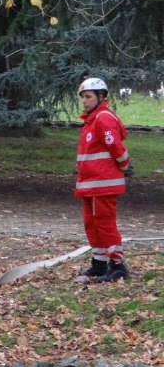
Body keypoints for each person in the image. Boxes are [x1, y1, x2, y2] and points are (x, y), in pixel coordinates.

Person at [74, 77, 133, 283]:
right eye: (83, 97)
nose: (85, 101)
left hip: (103, 184)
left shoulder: (103, 118)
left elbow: (116, 147)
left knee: (105, 224)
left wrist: (125, 166)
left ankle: (117, 266)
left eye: (88, 97)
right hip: (91, 184)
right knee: (92, 224)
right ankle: (99, 264)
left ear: (101, 96)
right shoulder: (92, 120)